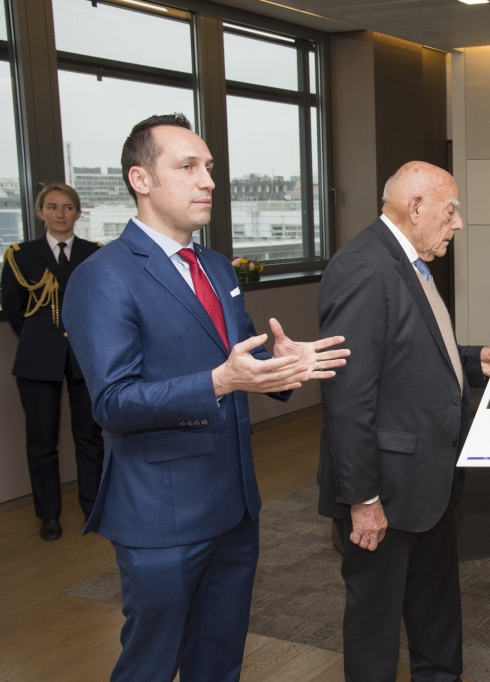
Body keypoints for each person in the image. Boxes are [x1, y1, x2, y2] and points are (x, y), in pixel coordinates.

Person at [62, 113, 349, 681]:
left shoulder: (216, 266)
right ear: (141, 180)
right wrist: (222, 381)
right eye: (188, 167)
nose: (208, 181)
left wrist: (284, 367)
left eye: (210, 168)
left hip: (235, 505)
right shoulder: (104, 276)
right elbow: (114, 403)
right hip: (160, 515)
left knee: (219, 661)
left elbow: (240, 361)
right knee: (149, 665)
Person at [317, 161, 490, 682]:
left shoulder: (411, 264)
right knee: (376, 630)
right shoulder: (362, 266)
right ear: (415, 207)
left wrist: (471, 360)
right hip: (383, 490)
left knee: (436, 616)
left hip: (428, 481)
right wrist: (363, 499)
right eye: (452, 210)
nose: (459, 223)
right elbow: (348, 398)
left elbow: (408, 352)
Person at [1, 183, 104, 541]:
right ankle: (49, 516)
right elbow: (15, 311)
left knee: (89, 436)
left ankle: (94, 507)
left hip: (84, 357)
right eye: (52, 207)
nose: (60, 214)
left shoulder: (95, 253)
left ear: (78, 213)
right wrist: (42, 338)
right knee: (41, 441)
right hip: (38, 358)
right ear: (40, 212)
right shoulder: (20, 255)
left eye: (68, 207)